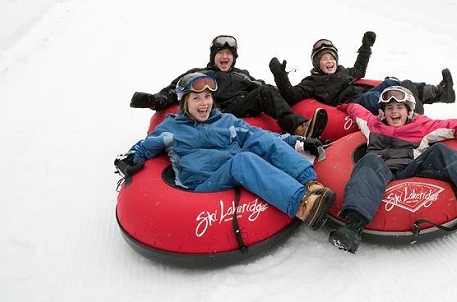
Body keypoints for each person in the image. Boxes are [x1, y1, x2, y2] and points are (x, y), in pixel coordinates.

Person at [115, 73, 335, 230]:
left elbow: (261, 137)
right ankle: (302, 206)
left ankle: (310, 184)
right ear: (184, 102)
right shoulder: (171, 128)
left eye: (208, 97)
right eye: (196, 98)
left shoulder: (226, 121)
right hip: (204, 184)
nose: (204, 103)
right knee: (244, 160)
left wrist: (299, 142)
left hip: (234, 173)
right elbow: (144, 147)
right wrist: (128, 160)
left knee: (260, 140)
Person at [327, 86, 457, 253]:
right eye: (389, 108)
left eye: (399, 107)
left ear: (409, 110)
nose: (394, 112)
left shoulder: (423, 126)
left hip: (409, 170)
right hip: (378, 170)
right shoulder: (372, 124)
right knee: (369, 159)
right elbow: (355, 110)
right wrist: (343, 106)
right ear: (382, 112)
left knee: (440, 150)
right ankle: (353, 228)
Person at [130, 35, 327, 140]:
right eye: (220, 53)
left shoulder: (241, 74)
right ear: (213, 56)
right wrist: (157, 100)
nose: (225, 57)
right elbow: (177, 89)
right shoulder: (199, 73)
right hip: (213, 112)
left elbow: (264, 89)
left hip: (239, 107)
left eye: (229, 53)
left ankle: (300, 128)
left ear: (234, 58)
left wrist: (282, 85)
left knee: (266, 91)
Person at [268, 32, 455, 115]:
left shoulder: (344, 72)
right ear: (317, 63)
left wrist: (366, 46)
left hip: (362, 94)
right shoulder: (312, 82)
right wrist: (280, 76)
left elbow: (359, 69)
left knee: (394, 83)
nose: (329, 62)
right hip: (350, 105)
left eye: (331, 58)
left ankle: (439, 93)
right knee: (378, 97)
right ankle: (413, 111)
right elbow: (291, 95)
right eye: (324, 59)